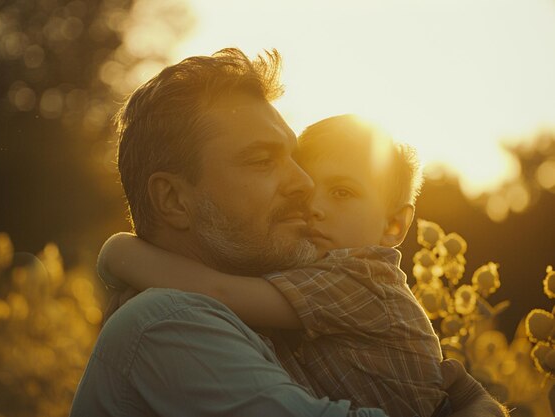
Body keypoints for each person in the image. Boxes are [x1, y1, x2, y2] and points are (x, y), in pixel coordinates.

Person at [70, 48, 507, 417]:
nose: (303, 185)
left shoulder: (273, 320)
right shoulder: (167, 323)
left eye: (296, 160)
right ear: (172, 200)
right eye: (262, 161)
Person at [97, 114, 448, 417]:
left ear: (394, 226)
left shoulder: (362, 275)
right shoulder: (166, 322)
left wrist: (119, 251)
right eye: (309, 189)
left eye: (342, 192)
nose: (314, 207)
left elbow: (220, 291)